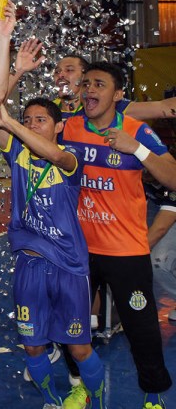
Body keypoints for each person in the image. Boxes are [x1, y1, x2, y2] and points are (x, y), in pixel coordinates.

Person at [61, 61, 176, 409]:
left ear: (119, 95)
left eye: (99, 84)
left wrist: (136, 150)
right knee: (75, 324)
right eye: (86, 84)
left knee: (142, 330)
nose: (90, 90)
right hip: (79, 250)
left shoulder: (136, 131)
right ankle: (79, 386)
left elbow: (173, 178)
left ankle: (153, 397)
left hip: (126, 252)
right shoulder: (68, 128)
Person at [0, 99, 107, 409]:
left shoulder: (71, 158)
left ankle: (97, 401)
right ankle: (52, 402)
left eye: (40, 120)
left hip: (68, 266)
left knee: (79, 349)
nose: (31, 124)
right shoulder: (17, 154)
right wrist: (17, 72)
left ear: (59, 126)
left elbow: (53, 153)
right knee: (33, 347)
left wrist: (13, 124)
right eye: (27, 119)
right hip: (30, 265)